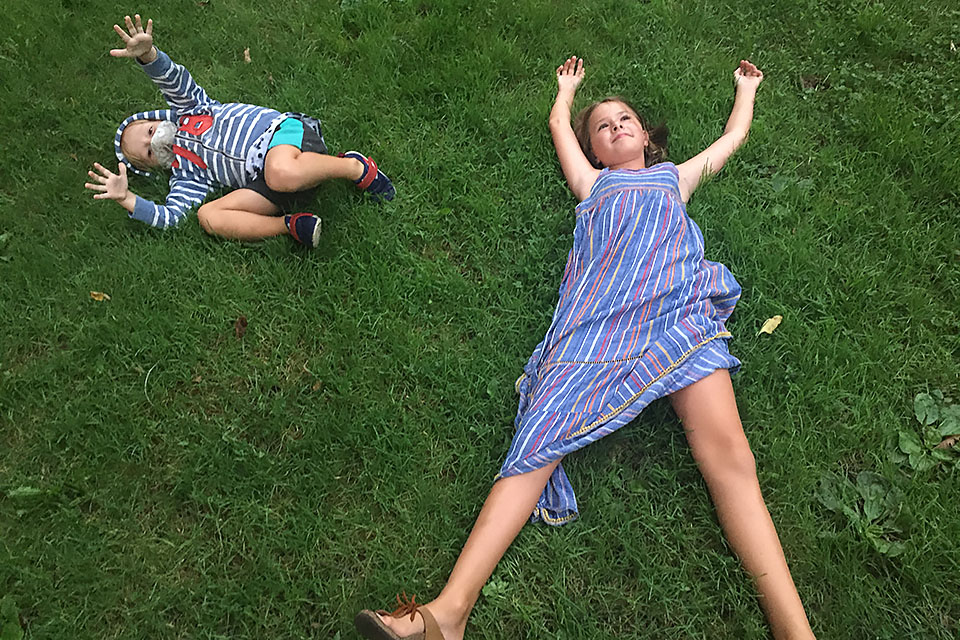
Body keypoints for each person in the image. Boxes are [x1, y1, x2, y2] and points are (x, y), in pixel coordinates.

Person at [355, 57, 816, 640]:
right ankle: (448, 613)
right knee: (535, 441)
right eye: (603, 126)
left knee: (732, 461)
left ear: (647, 138)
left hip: (676, 308)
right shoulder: (593, 183)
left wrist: (745, 90)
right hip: (595, 326)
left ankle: (796, 631)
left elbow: (733, 138)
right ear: (594, 151)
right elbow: (557, 129)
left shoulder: (675, 177)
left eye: (626, 119)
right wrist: (565, 92)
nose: (618, 126)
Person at [84, 15, 394, 248]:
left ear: (159, 119)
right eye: (149, 151)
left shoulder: (192, 108)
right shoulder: (187, 178)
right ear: (153, 166)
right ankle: (289, 226)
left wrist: (147, 56)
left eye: (151, 130)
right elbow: (171, 218)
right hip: (268, 185)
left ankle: (354, 167)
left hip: (284, 138)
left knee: (279, 172)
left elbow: (171, 79)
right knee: (208, 216)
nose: (156, 140)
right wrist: (127, 198)